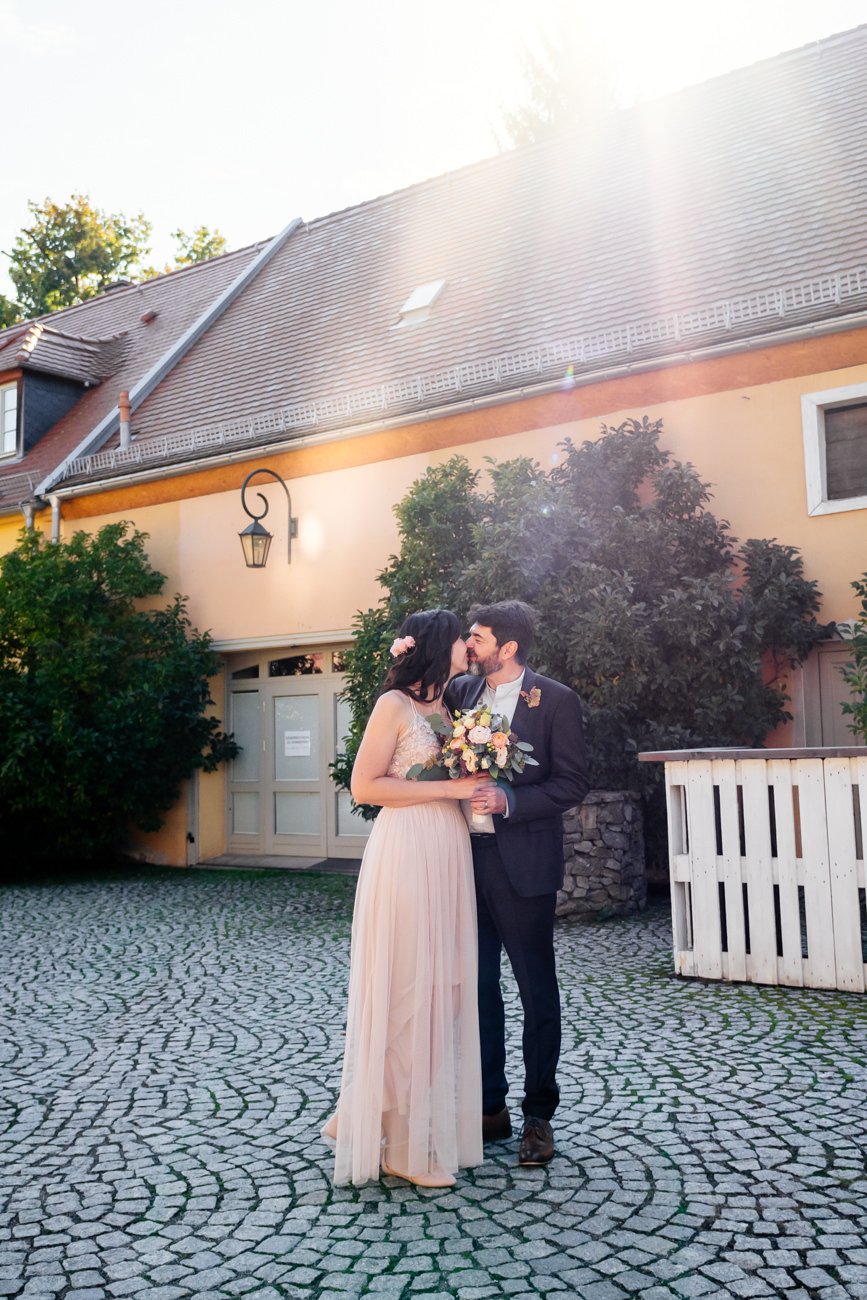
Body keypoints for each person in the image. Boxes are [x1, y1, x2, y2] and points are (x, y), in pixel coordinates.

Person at [323, 608, 489, 1187]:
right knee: (408, 991)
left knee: (443, 991)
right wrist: (453, 787)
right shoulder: (392, 705)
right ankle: (399, 1147)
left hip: (448, 849)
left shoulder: (449, 708)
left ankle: (361, 1109)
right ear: (439, 645)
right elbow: (365, 786)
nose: (470, 647)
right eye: (462, 639)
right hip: (407, 850)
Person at [445, 600, 590, 1167]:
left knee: (535, 990)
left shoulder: (554, 700)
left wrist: (511, 800)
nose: (469, 645)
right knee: (479, 989)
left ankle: (538, 1115)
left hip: (523, 861)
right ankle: (490, 1108)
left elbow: (573, 783)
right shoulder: (461, 695)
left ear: (508, 648)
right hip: (462, 859)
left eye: (477, 638)